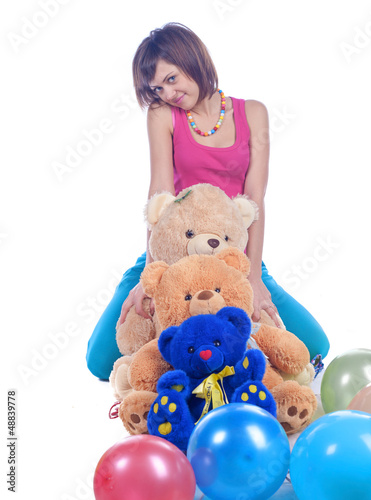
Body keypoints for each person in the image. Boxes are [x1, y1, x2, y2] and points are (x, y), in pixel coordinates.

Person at [86, 22, 329, 380]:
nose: (167, 92)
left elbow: (255, 200)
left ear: (194, 61)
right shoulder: (162, 116)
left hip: (232, 258)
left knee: (314, 345)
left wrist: (254, 275)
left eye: (172, 78)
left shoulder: (254, 113)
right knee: (100, 360)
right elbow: (159, 197)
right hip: (171, 255)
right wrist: (148, 275)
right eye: (157, 87)